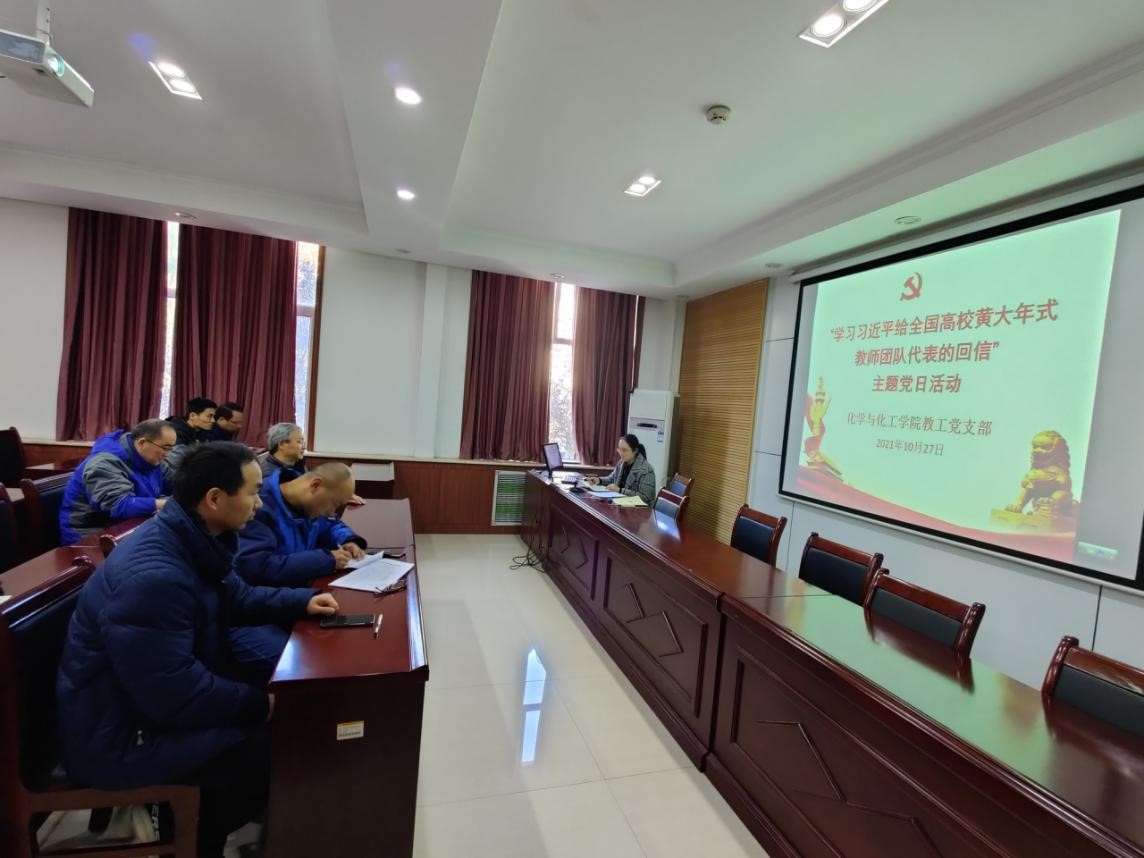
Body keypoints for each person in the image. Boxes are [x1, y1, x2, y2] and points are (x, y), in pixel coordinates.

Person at [56, 442, 339, 858]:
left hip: (142, 706)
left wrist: (303, 602)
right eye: (253, 492)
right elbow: (174, 694)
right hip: (119, 736)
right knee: (270, 745)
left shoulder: (194, 538)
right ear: (215, 499)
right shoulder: (156, 576)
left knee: (285, 712)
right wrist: (259, 705)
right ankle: (194, 843)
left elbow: (239, 597)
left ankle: (232, 828)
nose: (260, 504)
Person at [58, 419, 176, 544]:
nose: (168, 454)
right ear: (142, 442)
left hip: (126, 529)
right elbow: (119, 505)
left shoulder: (151, 460)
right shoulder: (104, 464)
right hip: (89, 538)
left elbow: (176, 483)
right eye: (165, 448)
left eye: (171, 449)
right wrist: (165, 503)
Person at [586, 433, 657, 505]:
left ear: (635, 451)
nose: (621, 453)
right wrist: (599, 480)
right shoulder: (621, 462)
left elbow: (645, 497)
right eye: (619, 449)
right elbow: (612, 479)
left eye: (624, 450)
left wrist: (620, 490)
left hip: (638, 509)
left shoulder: (646, 470)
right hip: (621, 504)